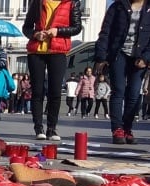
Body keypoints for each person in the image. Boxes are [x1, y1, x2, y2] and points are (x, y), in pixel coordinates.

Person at [23, 0, 82, 140]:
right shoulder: (38, 2)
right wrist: (35, 34)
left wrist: (58, 31)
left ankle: (52, 128)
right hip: (36, 51)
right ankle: (38, 128)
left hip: (58, 51)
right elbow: (26, 27)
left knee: (55, 91)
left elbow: (77, 27)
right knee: (37, 91)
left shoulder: (72, 3)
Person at [94, 0, 150, 144]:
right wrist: (101, 56)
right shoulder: (118, 6)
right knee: (118, 90)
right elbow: (105, 31)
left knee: (134, 93)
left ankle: (127, 128)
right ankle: (117, 129)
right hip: (119, 54)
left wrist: (146, 58)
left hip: (140, 57)